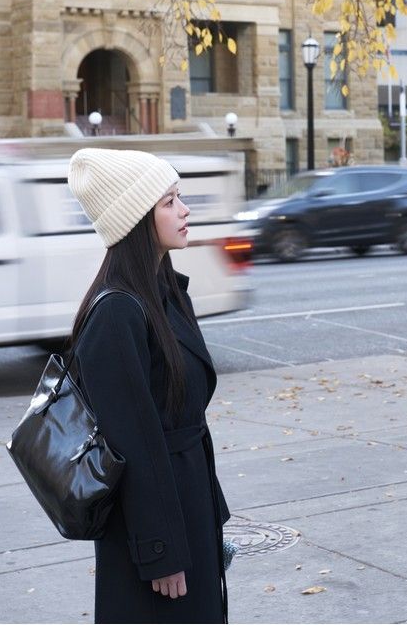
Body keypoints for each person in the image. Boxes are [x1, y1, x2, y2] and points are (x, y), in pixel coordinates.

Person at [67, 148, 231, 624]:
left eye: (179, 197)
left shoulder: (165, 292)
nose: (184, 210)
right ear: (137, 218)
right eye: (169, 201)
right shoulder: (116, 312)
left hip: (186, 508)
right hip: (152, 531)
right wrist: (161, 550)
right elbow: (132, 443)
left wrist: (210, 513)